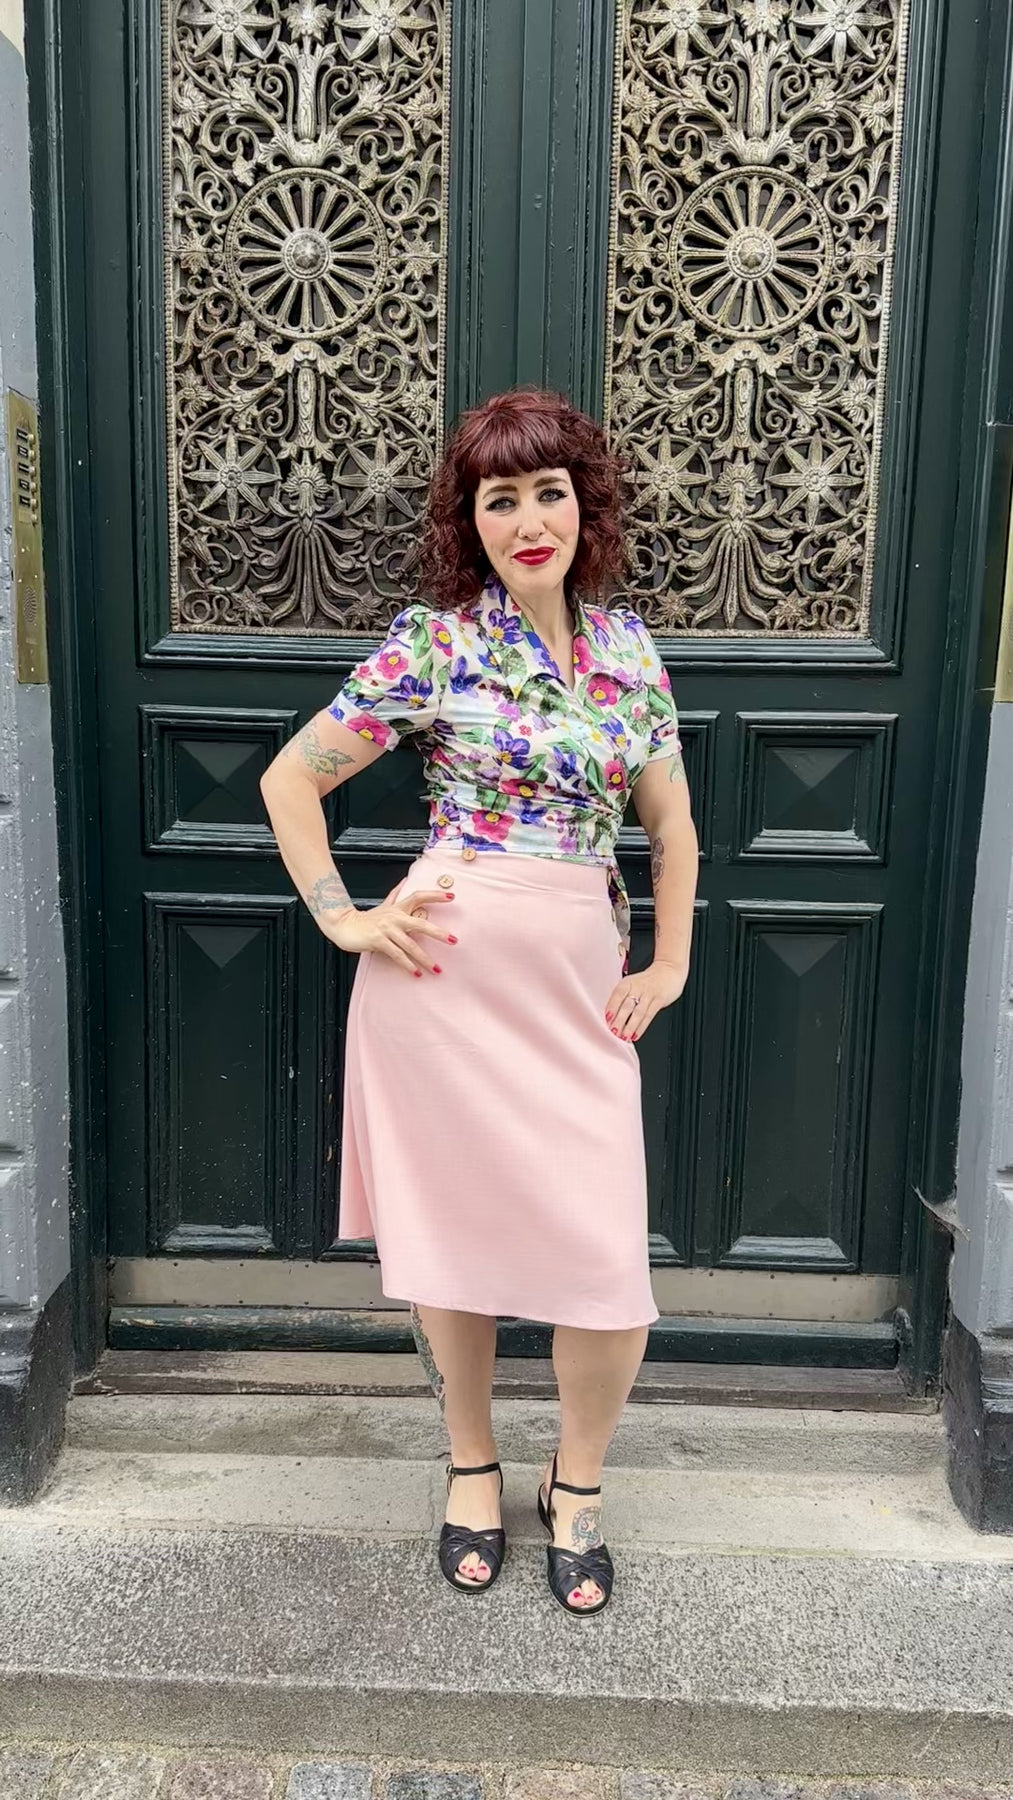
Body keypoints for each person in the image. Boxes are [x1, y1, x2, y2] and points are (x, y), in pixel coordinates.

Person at [260, 386, 699, 1617]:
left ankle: (577, 1480)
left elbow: (669, 828)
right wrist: (342, 915)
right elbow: (290, 781)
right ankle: (469, 1466)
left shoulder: (627, 652)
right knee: (450, 1247)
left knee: (602, 1257)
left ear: (582, 507)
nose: (527, 521)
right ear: (472, 522)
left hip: (573, 993)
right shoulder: (434, 645)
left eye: (547, 493)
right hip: (438, 989)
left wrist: (667, 966)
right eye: (498, 500)